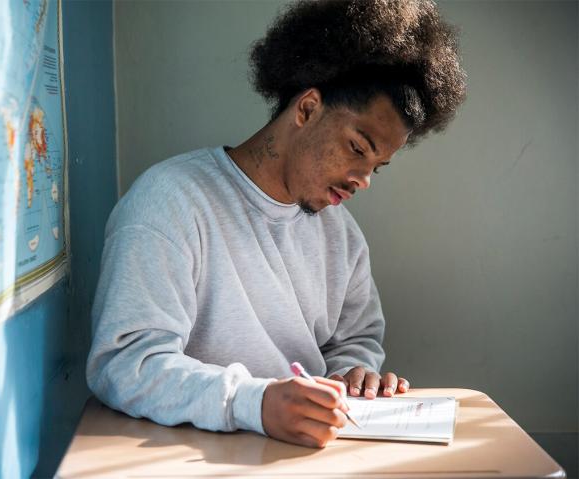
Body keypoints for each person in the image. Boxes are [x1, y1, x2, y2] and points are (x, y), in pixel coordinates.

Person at [87, 0, 466, 448]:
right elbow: (125, 363)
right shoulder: (170, 202)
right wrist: (255, 402)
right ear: (306, 109)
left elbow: (356, 338)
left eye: (377, 166)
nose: (363, 181)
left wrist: (353, 375)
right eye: (357, 148)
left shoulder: (340, 236)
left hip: (309, 453)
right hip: (188, 458)